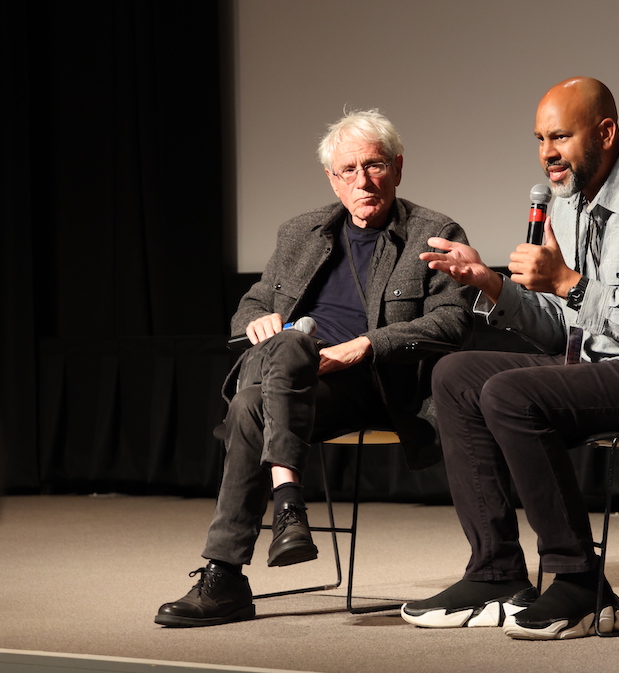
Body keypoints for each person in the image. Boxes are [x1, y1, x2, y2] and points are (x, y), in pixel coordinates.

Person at [402, 77, 619, 640]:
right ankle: (496, 573)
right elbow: (565, 325)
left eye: (560, 136)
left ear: (605, 132)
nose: (547, 154)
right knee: (456, 373)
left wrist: (569, 283)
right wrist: (493, 284)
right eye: (539, 139)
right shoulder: (572, 204)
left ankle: (582, 583)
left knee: (511, 393)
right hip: (605, 366)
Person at [156, 109, 473, 627]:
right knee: (284, 355)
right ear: (332, 178)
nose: (362, 181)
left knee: (252, 400)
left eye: (373, 166)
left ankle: (230, 572)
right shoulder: (300, 232)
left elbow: (453, 322)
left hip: (372, 385)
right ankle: (281, 516)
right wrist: (259, 322)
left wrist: (361, 347)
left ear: (397, 167)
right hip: (299, 380)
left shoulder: (432, 234)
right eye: (347, 170)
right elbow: (249, 306)